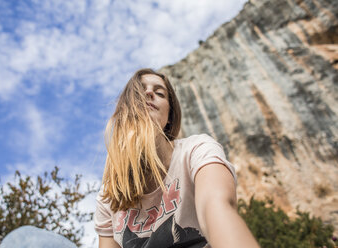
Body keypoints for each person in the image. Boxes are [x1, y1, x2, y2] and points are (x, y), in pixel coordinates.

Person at [94, 68, 259, 248]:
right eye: (140, 91)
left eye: (159, 93)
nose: (149, 93)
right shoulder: (108, 196)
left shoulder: (196, 150)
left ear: (170, 116)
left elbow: (215, 206)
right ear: (125, 107)